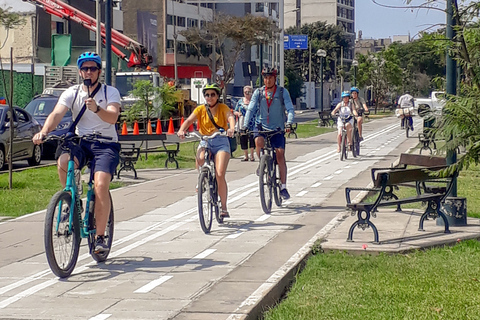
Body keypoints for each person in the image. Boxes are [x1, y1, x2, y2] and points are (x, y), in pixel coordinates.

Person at [33, 52, 121, 253]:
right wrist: (44, 131)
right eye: (85, 69)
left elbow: (113, 117)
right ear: (80, 71)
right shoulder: (72, 93)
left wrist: (97, 109)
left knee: (100, 185)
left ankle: (100, 237)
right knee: (64, 161)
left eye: (92, 68)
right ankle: (70, 200)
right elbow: (56, 114)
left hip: (105, 144)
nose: (88, 72)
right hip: (81, 141)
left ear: (99, 71)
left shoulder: (110, 92)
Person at [177, 83, 235, 219]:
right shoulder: (200, 109)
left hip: (220, 141)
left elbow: (230, 117)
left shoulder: (223, 108)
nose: (210, 97)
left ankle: (224, 208)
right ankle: (202, 178)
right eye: (207, 95)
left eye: (213, 94)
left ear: (217, 96)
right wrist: (181, 130)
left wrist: (231, 128)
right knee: (200, 158)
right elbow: (189, 120)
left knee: (220, 174)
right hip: (205, 140)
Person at [243, 67, 295, 200]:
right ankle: (262, 163)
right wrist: (244, 125)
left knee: (280, 154)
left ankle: (283, 187)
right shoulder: (258, 93)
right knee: (258, 142)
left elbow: (289, 108)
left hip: (277, 128)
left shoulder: (282, 92)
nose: (267, 80)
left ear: (275, 78)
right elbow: (251, 109)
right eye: (265, 78)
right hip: (261, 126)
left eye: (270, 77)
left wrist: (289, 122)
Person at [234, 85, 256, 161]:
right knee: (243, 138)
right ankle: (246, 156)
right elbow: (235, 110)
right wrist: (238, 113)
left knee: (252, 138)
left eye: (248, 92)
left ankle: (252, 155)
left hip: (252, 122)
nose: (247, 93)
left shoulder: (253, 101)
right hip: (242, 121)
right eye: (245, 92)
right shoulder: (240, 101)